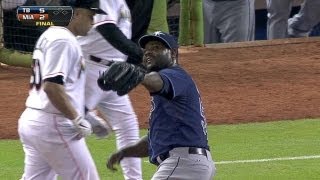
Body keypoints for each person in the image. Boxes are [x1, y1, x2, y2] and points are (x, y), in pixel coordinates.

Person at [104, 31, 216, 180]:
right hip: (192, 164)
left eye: (156, 48)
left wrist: (139, 75)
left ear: (173, 53)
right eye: (146, 49)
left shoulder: (175, 75)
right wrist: (124, 152)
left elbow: (157, 82)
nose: (149, 52)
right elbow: (154, 140)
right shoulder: (169, 93)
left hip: (183, 164)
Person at [18, 0, 107, 179]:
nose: (93, 22)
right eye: (90, 16)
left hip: (35, 120)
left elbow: (65, 87)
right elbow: (52, 86)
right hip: (54, 124)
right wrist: (76, 118)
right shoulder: (63, 40)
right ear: (76, 14)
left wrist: (87, 116)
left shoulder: (51, 35)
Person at [77, 0, 143, 179]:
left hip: (113, 71)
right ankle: (85, 115)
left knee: (127, 124)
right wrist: (139, 55)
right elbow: (107, 29)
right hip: (91, 67)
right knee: (71, 122)